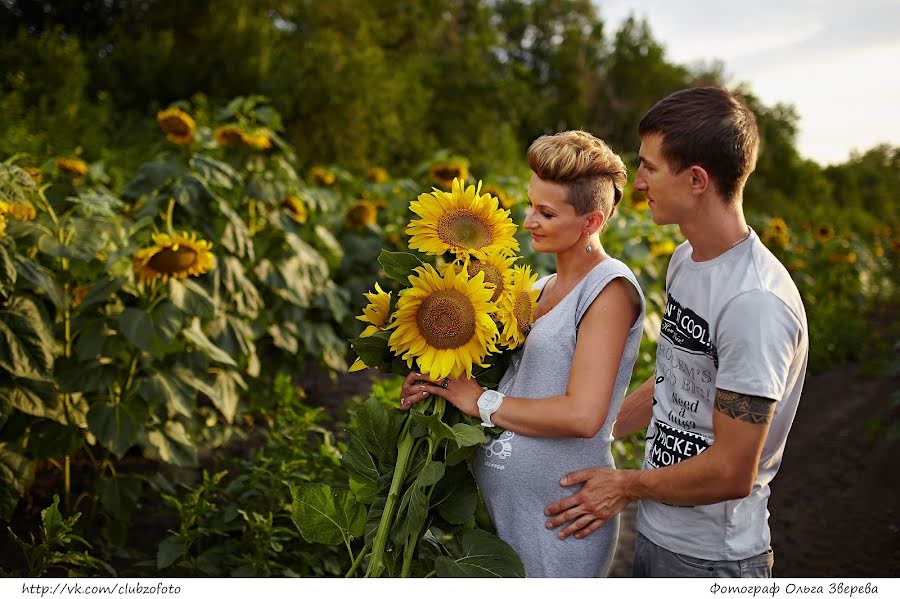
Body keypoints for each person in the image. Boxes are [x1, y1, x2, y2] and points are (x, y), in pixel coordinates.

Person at [543, 87, 809, 578]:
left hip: (712, 559)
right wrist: (588, 434)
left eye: (649, 167)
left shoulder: (755, 303)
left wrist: (624, 485)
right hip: (658, 531)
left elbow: (732, 471)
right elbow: (676, 375)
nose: (638, 183)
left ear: (697, 180)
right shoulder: (687, 260)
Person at [400, 130, 645, 577]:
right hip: (507, 514)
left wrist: (481, 402)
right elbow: (503, 381)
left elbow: (583, 415)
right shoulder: (535, 290)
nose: (529, 219)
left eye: (546, 212)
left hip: (560, 517)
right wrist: (437, 379)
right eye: (531, 204)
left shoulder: (608, 289)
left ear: (591, 222)